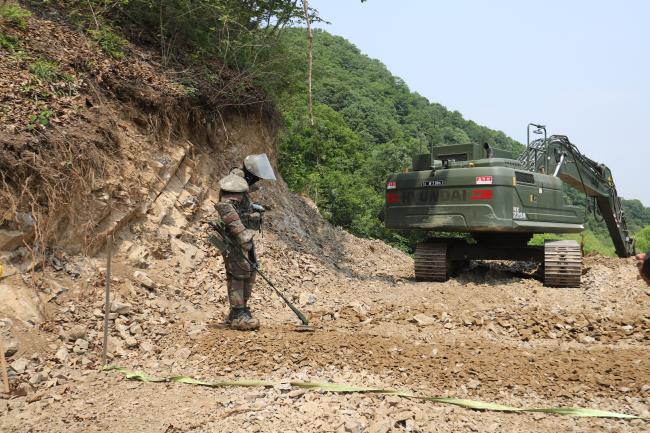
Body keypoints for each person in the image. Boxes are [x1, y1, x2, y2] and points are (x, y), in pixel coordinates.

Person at [215, 154, 276, 330]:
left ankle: (239, 311)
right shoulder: (234, 182)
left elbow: (240, 208)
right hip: (233, 239)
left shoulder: (242, 184)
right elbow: (225, 208)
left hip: (242, 238)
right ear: (251, 174)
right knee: (238, 273)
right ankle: (238, 315)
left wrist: (253, 212)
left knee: (249, 271)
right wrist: (241, 234)